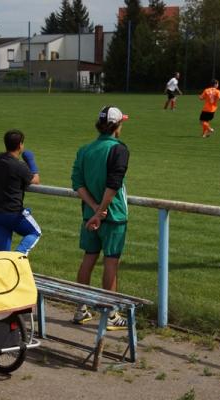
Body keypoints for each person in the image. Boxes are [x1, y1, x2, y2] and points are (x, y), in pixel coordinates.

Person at [71, 106, 130, 330]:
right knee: (111, 262)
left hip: (89, 215)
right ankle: (111, 313)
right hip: (113, 216)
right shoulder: (119, 149)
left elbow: (77, 183)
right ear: (116, 126)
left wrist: (94, 209)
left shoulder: (85, 149)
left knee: (89, 259)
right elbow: (113, 184)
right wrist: (101, 210)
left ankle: (81, 309)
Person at [0, 129, 41, 255]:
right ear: (20, 145)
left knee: (1, 254)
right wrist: (31, 162)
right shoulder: (20, 166)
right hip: (13, 213)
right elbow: (36, 180)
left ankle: (4, 270)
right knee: (35, 232)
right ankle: (18, 256)